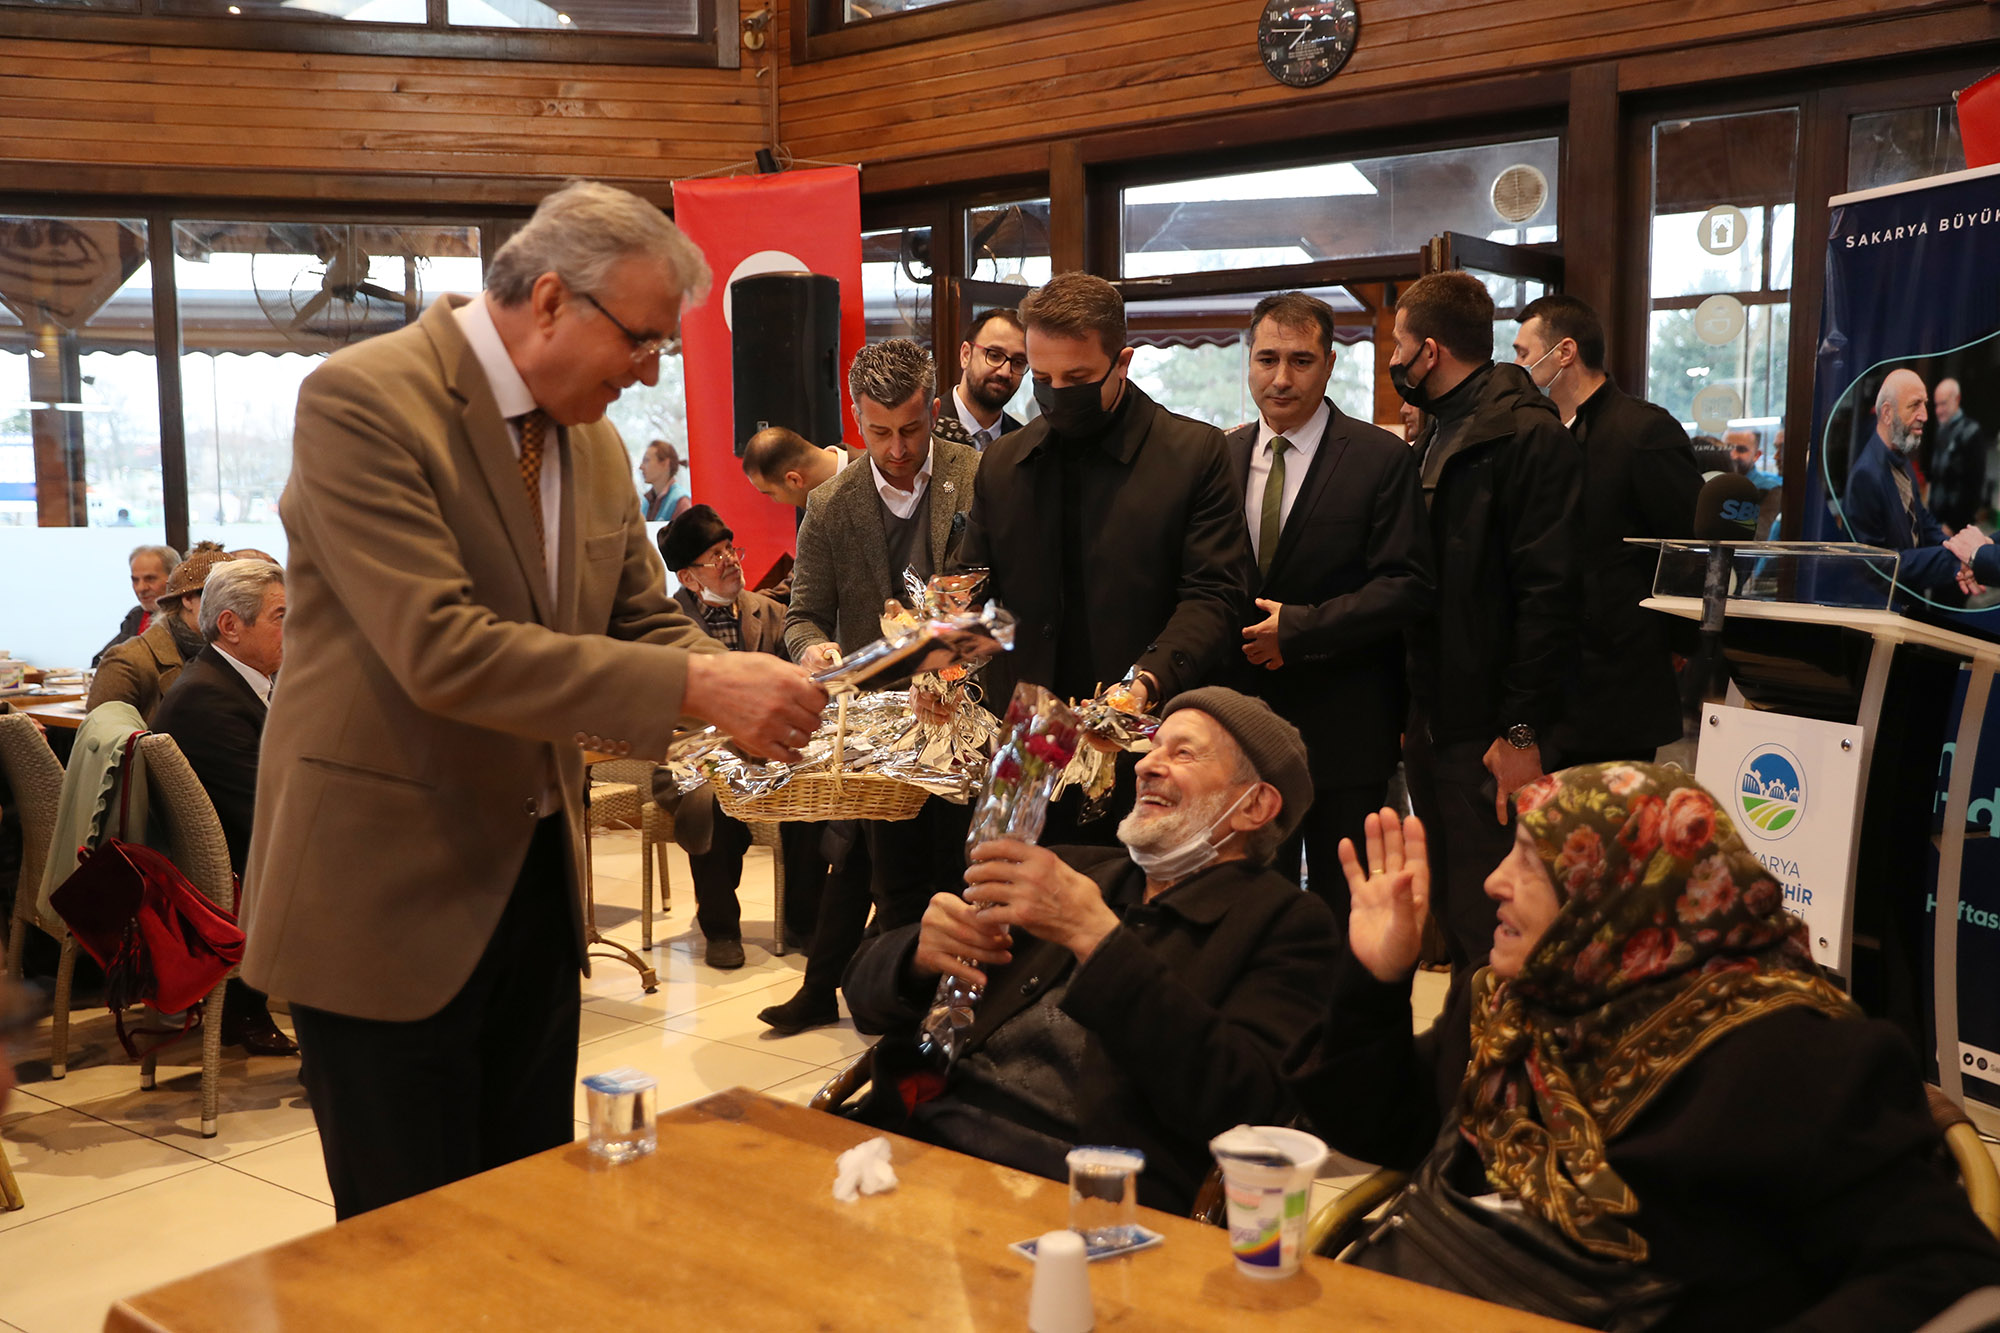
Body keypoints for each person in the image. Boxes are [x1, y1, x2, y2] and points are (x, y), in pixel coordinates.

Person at [240, 180, 828, 1221]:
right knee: (408, 1250)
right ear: (550, 300)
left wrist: (761, 683)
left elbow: (639, 620)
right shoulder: (363, 399)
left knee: (522, 1226)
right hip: (387, 899)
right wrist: (702, 683)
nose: (648, 372)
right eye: (642, 341)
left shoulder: (590, 441)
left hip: (531, 897)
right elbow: (442, 650)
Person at [1293, 767, 2000, 1332]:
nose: (1492, 881)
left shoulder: (1794, 1054)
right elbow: (1383, 1129)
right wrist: (1377, 980)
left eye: (1533, 861)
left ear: (1623, 890)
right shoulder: (1519, 1006)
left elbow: (1941, 1272)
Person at [843, 687, 1339, 1214]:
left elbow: (1244, 1106)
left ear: (1256, 804)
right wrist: (918, 956)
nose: (1146, 765)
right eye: (1152, 746)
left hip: (1087, 1195)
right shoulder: (1072, 867)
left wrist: (1097, 940)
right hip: (915, 1140)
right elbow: (863, 998)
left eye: (1183, 752)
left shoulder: (1288, 924)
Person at [960, 273, 1254, 844]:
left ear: (1122, 363)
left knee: (1138, 909)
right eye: (1041, 378)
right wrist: (939, 655)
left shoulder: (1193, 454)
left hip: (1149, 735)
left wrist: (1145, 683)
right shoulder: (1003, 463)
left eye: (1077, 378)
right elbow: (975, 592)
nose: (1055, 394)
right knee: (1005, 900)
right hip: (1028, 736)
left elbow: (1215, 596)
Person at [1393, 270, 1582, 972]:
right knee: (1456, 910)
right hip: (1438, 718)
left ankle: (1503, 1072)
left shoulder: (1526, 437)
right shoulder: (1440, 433)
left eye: (1398, 345)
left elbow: (1550, 594)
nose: (1394, 361)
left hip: (1493, 730)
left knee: (1499, 924)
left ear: (1431, 351)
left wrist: (1520, 730)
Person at [1225, 291, 1432, 911]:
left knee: (1350, 908)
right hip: (1242, 727)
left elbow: (1409, 585)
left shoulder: (1380, 458)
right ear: (1248, 361)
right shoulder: (1220, 456)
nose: (1281, 378)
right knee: (1255, 906)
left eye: (1300, 360)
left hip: (1345, 723)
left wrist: (1302, 629)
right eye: (1267, 359)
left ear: (1330, 363)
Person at [785, 338, 981, 944]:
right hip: (885, 731)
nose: (898, 449)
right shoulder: (829, 504)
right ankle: (898, 1014)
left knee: (966, 876)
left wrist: (956, 667)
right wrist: (815, 650)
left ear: (932, 409)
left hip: (970, 713)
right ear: (857, 421)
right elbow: (804, 616)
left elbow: (1006, 600)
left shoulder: (978, 476)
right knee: (895, 887)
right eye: (879, 433)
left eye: (912, 429)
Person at [1513, 293, 1701, 767]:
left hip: (1618, 683)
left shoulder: (1643, 432)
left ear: (1565, 353)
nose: (1516, 367)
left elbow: (1689, 548)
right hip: (1554, 683)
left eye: (1523, 353)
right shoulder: (1539, 432)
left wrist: (1673, 642)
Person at [151, 558, 297, 1057]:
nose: (295, 629)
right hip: (232, 871)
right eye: (282, 616)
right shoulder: (208, 699)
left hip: (249, 850)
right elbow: (265, 813)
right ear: (231, 625)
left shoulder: (237, 682)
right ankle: (345, 1036)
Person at [653, 503, 792, 971]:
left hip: (769, 755)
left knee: (817, 799)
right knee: (711, 801)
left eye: (731, 549)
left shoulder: (769, 612)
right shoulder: (665, 628)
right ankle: (720, 928)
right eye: (715, 555)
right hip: (693, 756)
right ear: (689, 578)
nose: (731, 560)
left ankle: (804, 920)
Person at [1844, 369, 1968, 598]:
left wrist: (1959, 550)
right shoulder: (1866, 475)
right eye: (1914, 405)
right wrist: (1954, 561)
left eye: (1925, 404)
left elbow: (1922, 521)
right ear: (1888, 413)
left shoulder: (1901, 458)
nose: (1925, 415)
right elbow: (1878, 565)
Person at [85, 540, 233, 724]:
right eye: (223, 599)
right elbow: (105, 743)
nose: (141, 588)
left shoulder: (236, 651)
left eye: (150, 578)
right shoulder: (128, 661)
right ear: (187, 599)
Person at [935, 308, 1027, 451]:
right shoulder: (927, 428)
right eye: (994, 356)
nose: (1005, 372)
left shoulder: (1025, 444)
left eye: (1018, 362)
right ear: (966, 355)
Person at [92, 543, 180, 667]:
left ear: (174, 578)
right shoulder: (136, 616)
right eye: (135, 580)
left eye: (150, 579)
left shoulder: (184, 619)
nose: (141, 588)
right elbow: (101, 660)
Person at [740, 426, 851, 510]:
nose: (775, 501)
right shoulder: (813, 512)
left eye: (770, 493)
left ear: (794, 479)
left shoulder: (867, 469)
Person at [1929, 378, 1987, 532]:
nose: (1938, 410)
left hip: (1957, 528)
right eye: (1936, 405)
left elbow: (1973, 487)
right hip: (1936, 523)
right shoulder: (1941, 431)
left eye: (1943, 404)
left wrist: (1953, 525)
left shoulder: (1972, 433)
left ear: (1957, 399)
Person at [638, 438, 691, 522]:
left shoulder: (681, 502)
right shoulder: (646, 502)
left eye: (646, 460)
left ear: (665, 463)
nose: (641, 467)